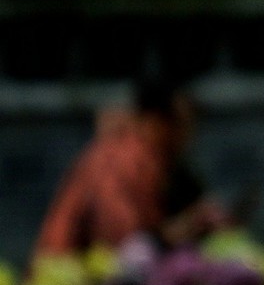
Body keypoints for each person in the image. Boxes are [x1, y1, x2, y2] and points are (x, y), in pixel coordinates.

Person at [33, 76, 227, 257]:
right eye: (183, 123)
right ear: (155, 122)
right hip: (71, 277)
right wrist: (179, 231)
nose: (190, 136)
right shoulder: (121, 158)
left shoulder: (159, 161)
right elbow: (120, 240)